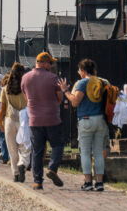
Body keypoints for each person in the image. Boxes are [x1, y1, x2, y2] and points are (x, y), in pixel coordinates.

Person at [20, 52, 66, 190]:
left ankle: (37, 181)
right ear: (44, 63)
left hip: (34, 119)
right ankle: (52, 168)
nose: (51, 66)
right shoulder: (53, 78)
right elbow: (59, 98)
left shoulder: (25, 78)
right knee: (57, 145)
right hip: (52, 118)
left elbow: (26, 97)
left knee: (37, 151)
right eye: (50, 63)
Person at [62, 58, 108, 191]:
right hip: (100, 119)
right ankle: (99, 183)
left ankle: (88, 182)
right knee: (99, 152)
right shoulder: (101, 82)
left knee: (86, 153)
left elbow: (75, 101)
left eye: (79, 70)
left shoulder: (83, 83)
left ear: (82, 70)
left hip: (86, 119)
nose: (78, 72)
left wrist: (66, 92)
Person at [0, 63, 30, 182]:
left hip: (9, 120)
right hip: (24, 120)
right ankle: (22, 163)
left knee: (12, 149)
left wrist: (0, 121)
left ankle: (16, 173)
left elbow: (2, 108)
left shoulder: (6, 88)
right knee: (25, 146)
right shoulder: (26, 88)